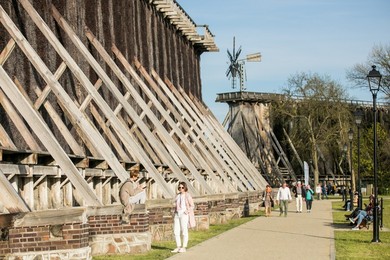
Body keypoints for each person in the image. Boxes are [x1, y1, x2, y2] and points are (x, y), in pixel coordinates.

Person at [171, 182, 195, 253]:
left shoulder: (187, 195)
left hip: (184, 214)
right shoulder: (177, 196)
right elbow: (174, 203)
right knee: (176, 231)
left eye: (182, 187)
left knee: (184, 231)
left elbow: (192, 205)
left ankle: (184, 247)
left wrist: (187, 211)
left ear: (185, 188)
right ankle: (178, 247)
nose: (181, 189)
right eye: (179, 187)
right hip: (177, 214)